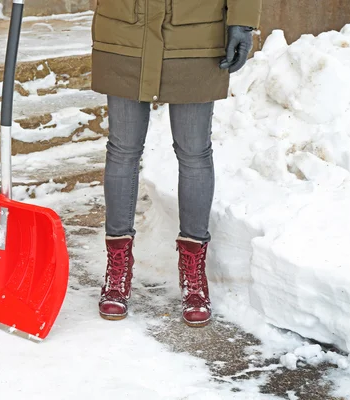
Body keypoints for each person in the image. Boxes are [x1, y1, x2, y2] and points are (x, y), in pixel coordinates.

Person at [91, 0, 262, 327]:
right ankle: (117, 267)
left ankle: (193, 271)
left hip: (196, 29)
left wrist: (242, 20)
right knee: (123, 149)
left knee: (194, 151)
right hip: (125, 25)